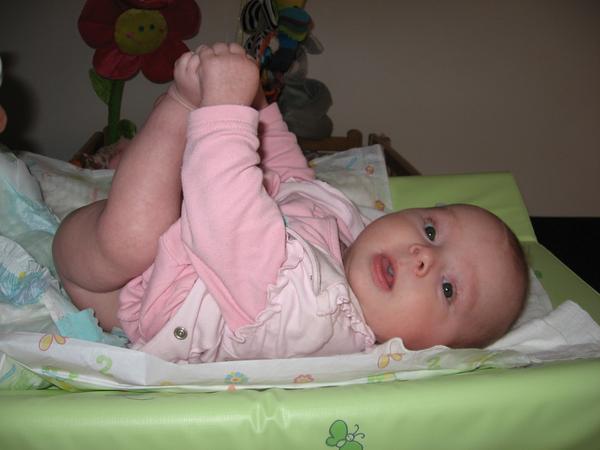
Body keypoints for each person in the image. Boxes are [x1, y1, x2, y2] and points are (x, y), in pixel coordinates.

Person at [52, 43, 528, 363]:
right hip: (189, 237)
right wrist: (258, 103)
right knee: (192, 190)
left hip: (120, 288)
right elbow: (294, 175)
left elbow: (231, 224)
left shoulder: (317, 318)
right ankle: (138, 158)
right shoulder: (347, 227)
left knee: (134, 236)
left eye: (448, 289)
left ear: (431, 350)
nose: (423, 257)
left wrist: (224, 108)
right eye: (431, 231)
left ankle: (176, 106)